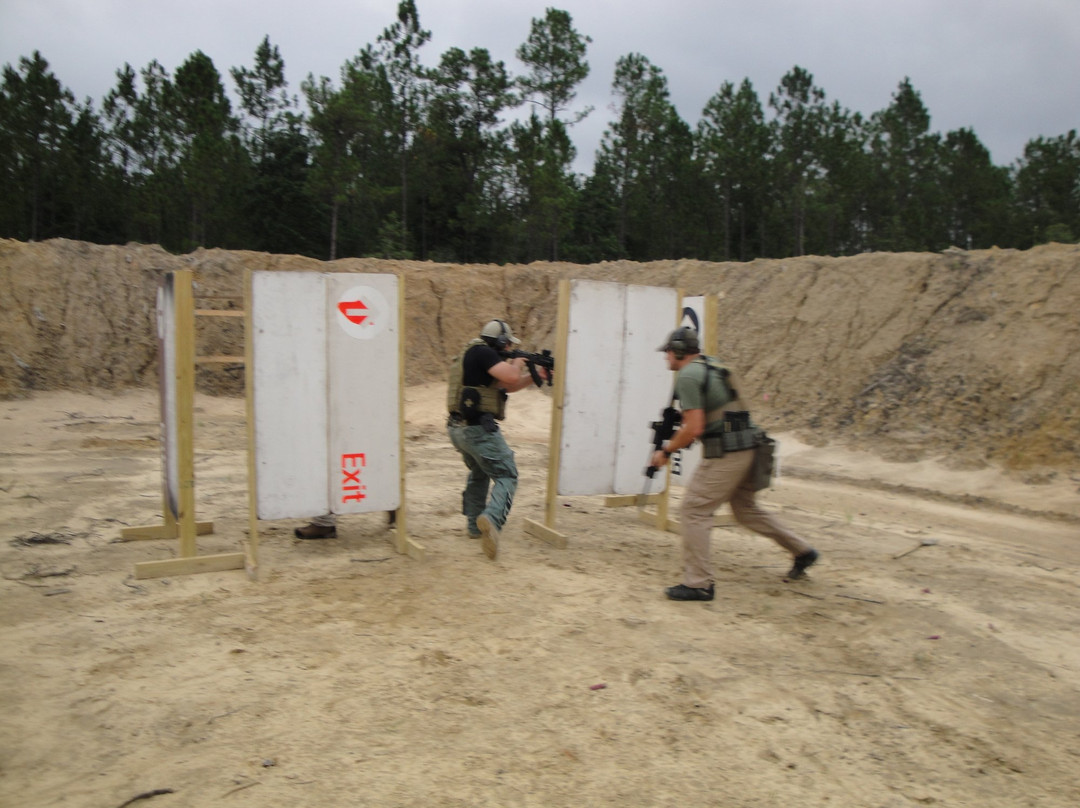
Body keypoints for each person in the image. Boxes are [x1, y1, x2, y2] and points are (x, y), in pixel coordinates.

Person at [649, 326, 819, 601]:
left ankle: (698, 584)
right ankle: (803, 551)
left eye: (668, 352)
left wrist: (666, 451)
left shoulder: (688, 376)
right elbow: (713, 415)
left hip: (727, 452)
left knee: (694, 510)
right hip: (751, 445)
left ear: (678, 351)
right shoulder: (712, 365)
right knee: (745, 510)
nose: (666, 357)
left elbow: (693, 428)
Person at [446, 319, 547, 560]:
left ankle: (474, 525)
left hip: (458, 429)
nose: (510, 349)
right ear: (500, 341)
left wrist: (537, 375)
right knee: (507, 475)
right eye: (507, 345)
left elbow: (508, 386)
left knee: (480, 472)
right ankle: (491, 520)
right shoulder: (482, 352)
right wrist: (518, 361)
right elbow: (512, 376)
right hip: (477, 430)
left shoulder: (473, 355)